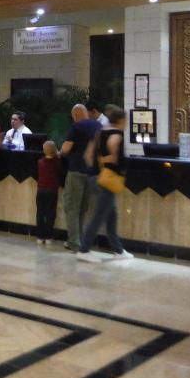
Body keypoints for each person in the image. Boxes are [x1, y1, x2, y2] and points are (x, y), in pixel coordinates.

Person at [77, 105, 134, 262]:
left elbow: (88, 155)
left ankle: (118, 250)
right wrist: (110, 162)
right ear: (121, 120)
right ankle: (83, 249)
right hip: (107, 180)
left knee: (111, 214)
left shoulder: (99, 132)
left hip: (95, 177)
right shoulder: (117, 134)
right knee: (100, 216)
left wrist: (95, 170)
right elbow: (113, 155)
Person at [60, 104, 102, 252]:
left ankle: (73, 242)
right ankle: (80, 240)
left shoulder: (76, 127)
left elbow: (65, 149)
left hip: (76, 170)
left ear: (75, 115)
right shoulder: (98, 125)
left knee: (72, 207)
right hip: (91, 172)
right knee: (82, 209)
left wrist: (61, 151)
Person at [35, 140, 62, 244]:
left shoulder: (40, 162)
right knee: (51, 213)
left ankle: (39, 236)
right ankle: (48, 236)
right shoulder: (57, 162)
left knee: (40, 213)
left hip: (41, 190)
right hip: (52, 190)